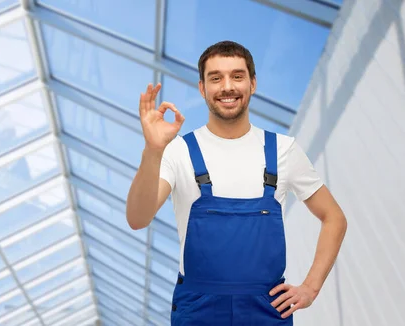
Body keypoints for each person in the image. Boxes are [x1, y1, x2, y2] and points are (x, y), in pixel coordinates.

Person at [125, 40, 347, 325]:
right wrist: (153, 150)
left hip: (267, 308)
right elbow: (137, 218)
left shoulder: (282, 151)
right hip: (198, 310)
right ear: (202, 88)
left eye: (237, 76)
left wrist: (310, 288)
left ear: (252, 84)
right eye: (215, 78)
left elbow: (334, 218)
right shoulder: (178, 151)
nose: (227, 86)